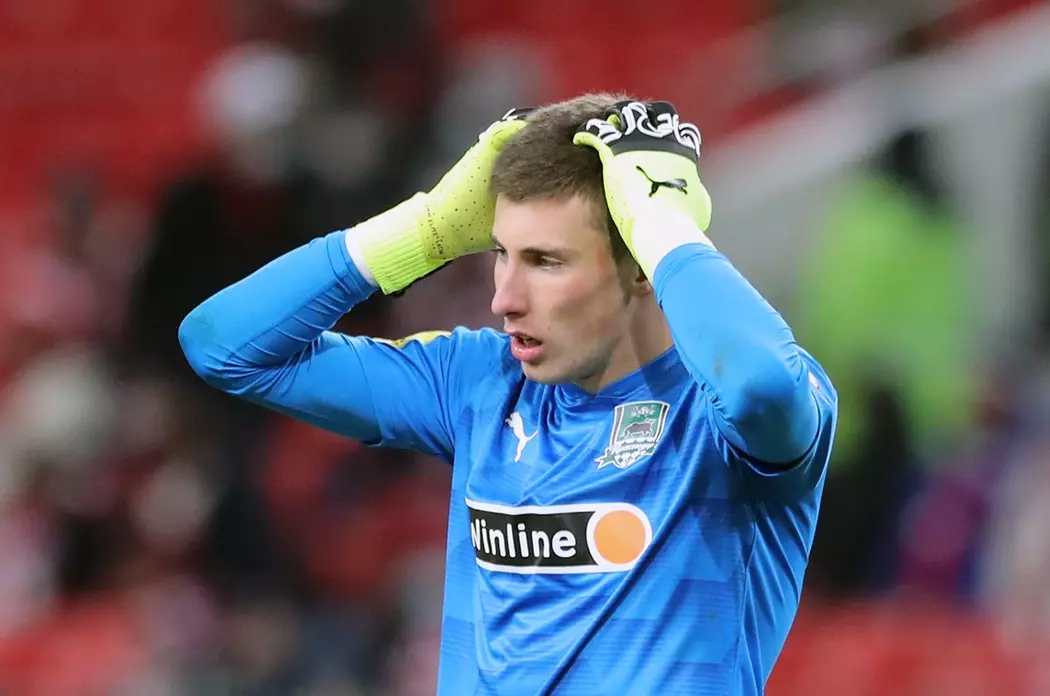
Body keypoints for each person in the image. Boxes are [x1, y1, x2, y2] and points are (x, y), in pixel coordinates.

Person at [179, 94, 837, 695]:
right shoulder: (478, 382)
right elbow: (224, 346)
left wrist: (666, 228)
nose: (504, 299)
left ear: (640, 264)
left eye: (545, 261)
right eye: (501, 254)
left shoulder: (722, 417)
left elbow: (758, 385)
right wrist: (422, 232)